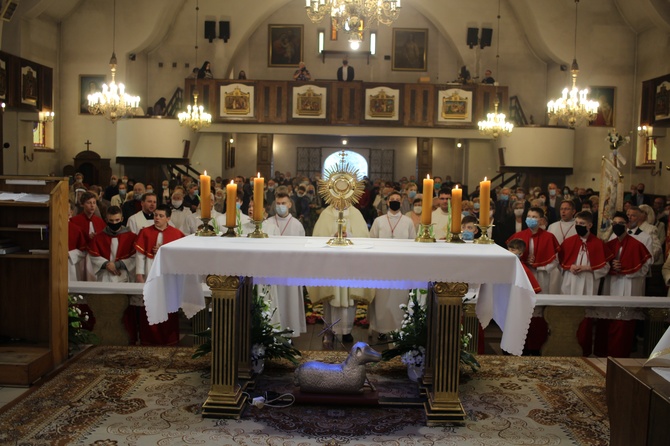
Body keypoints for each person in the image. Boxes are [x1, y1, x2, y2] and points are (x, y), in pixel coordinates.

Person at [309, 203, 373, 344]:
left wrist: (348, 236)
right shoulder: (326, 215)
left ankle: (346, 331)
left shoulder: (355, 214)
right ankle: (329, 331)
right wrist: (333, 237)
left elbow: (364, 238)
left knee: (348, 299)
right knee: (330, 299)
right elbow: (318, 238)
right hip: (331, 264)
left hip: (350, 265)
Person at [594, 212, 652, 357]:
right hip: (610, 285)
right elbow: (602, 264)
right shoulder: (609, 244)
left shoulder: (637, 244)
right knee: (606, 321)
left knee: (623, 324)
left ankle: (619, 355)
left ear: (626, 225)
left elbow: (644, 268)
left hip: (627, 285)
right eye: (614, 223)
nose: (616, 226)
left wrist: (625, 267)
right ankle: (602, 353)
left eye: (620, 223)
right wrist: (611, 265)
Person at [129, 205, 185, 345]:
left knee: (168, 306)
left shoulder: (176, 234)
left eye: (160, 216)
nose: (157, 218)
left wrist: (163, 250)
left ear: (168, 218)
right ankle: (149, 338)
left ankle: (169, 338)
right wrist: (139, 274)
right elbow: (140, 255)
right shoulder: (146, 232)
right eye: (155, 215)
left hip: (168, 276)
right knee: (149, 305)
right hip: (150, 273)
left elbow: (180, 256)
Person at [368, 191, 416, 339]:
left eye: (397, 200)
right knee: (381, 299)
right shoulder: (379, 221)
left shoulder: (408, 221)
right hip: (381, 265)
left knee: (399, 298)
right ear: (387, 202)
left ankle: (398, 328)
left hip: (401, 266)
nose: (395, 201)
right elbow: (371, 240)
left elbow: (413, 242)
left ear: (401, 203)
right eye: (392, 199)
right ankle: (381, 329)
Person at [263, 191, 307, 338]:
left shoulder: (297, 225)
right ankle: (272, 333)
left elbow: (302, 250)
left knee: (290, 303)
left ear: (290, 204)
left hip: (290, 271)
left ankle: (290, 332)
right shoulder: (267, 223)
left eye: (283, 203)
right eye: (278, 203)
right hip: (271, 271)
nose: (281, 206)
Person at [507, 238, 544, 355]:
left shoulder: (523, 269)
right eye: (509, 249)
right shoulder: (507, 266)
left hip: (520, 302)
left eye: (513, 250)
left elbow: (533, 288)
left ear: (521, 253)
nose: (510, 252)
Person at [87, 206, 137, 283]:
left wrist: (118, 265)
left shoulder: (131, 237)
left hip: (123, 274)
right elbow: (93, 256)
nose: (114, 223)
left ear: (122, 219)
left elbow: (135, 257)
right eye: (111, 220)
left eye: (117, 220)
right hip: (104, 276)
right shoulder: (99, 237)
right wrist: (106, 264)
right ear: (106, 220)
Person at [68, 202, 88, 282]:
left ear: (71, 212)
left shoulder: (77, 229)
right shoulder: (50, 228)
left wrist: (69, 254)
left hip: (70, 264)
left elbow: (83, 251)